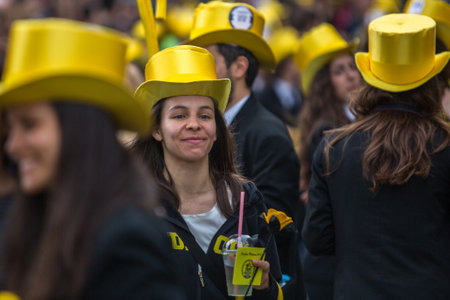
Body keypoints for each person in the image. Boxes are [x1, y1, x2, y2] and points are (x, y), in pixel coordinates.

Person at [0, 18, 185, 299]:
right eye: (11, 128)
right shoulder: (30, 218)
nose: (12, 146)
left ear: (79, 128)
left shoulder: (125, 240)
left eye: (29, 125)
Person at [302, 13, 450, 299]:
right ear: (431, 80)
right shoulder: (444, 145)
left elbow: (318, 239)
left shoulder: (334, 147)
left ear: (371, 78)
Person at [134, 45, 283, 300]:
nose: (194, 124)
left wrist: (264, 287)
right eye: (179, 115)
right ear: (157, 130)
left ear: (216, 130)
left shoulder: (246, 200)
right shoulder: (137, 206)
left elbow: (277, 288)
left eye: (205, 115)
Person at [182, 3, 304, 297]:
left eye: (208, 58)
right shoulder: (208, 128)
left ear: (238, 67)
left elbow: (271, 224)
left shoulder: (267, 133)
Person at [293, 22, 361, 300]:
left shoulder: (356, 119)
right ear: (324, 83)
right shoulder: (326, 130)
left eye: (351, 67)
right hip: (329, 264)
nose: (350, 76)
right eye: (339, 71)